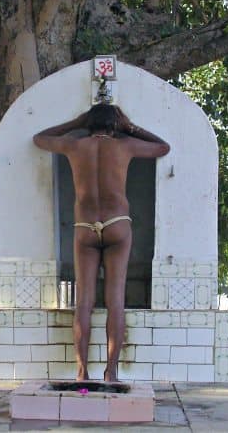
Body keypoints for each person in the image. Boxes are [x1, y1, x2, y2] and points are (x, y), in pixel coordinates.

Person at [33, 103, 170, 382]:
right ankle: (111, 372)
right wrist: (129, 126)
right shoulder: (126, 145)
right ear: (115, 124)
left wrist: (75, 122)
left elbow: (39, 139)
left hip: (85, 226)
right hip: (117, 224)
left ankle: (82, 372)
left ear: (88, 123)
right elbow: (162, 147)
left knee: (83, 302)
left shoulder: (75, 146)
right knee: (115, 302)